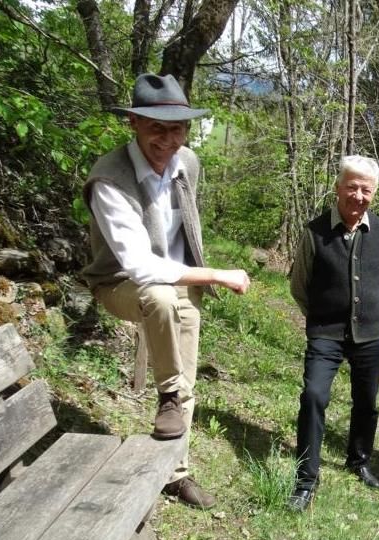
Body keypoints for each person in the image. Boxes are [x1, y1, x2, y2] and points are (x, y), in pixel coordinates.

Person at [82, 73, 251, 509]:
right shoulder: (110, 179)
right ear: (133, 124)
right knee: (157, 301)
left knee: (187, 379)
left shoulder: (188, 163)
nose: (168, 138)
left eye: (177, 128)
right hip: (120, 283)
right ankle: (167, 396)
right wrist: (215, 274)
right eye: (157, 127)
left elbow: (183, 229)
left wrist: (195, 278)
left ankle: (174, 472)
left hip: (181, 285)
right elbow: (138, 265)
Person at [287, 155, 379, 512]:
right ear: (338, 187)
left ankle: (359, 460)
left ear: (374, 193)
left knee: (367, 402)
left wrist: (371, 308)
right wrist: (320, 317)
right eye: (352, 186)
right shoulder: (314, 232)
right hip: (326, 332)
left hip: (370, 333)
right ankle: (306, 477)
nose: (358, 195)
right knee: (314, 396)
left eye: (366, 189)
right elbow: (299, 285)